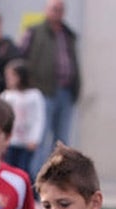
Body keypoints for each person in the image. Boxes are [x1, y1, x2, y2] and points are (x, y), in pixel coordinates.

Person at [20, 0, 81, 176]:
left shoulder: (68, 34)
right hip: (43, 92)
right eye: (54, 9)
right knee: (40, 137)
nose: (57, 13)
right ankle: (37, 177)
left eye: (60, 10)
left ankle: (59, 177)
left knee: (62, 140)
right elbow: (22, 58)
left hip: (65, 91)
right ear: (46, 11)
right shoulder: (35, 32)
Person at [1, 59, 45, 175]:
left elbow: (38, 118)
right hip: (11, 141)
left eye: (12, 76)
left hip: (27, 141)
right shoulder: (7, 96)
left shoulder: (34, 95)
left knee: (25, 170)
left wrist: (35, 139)